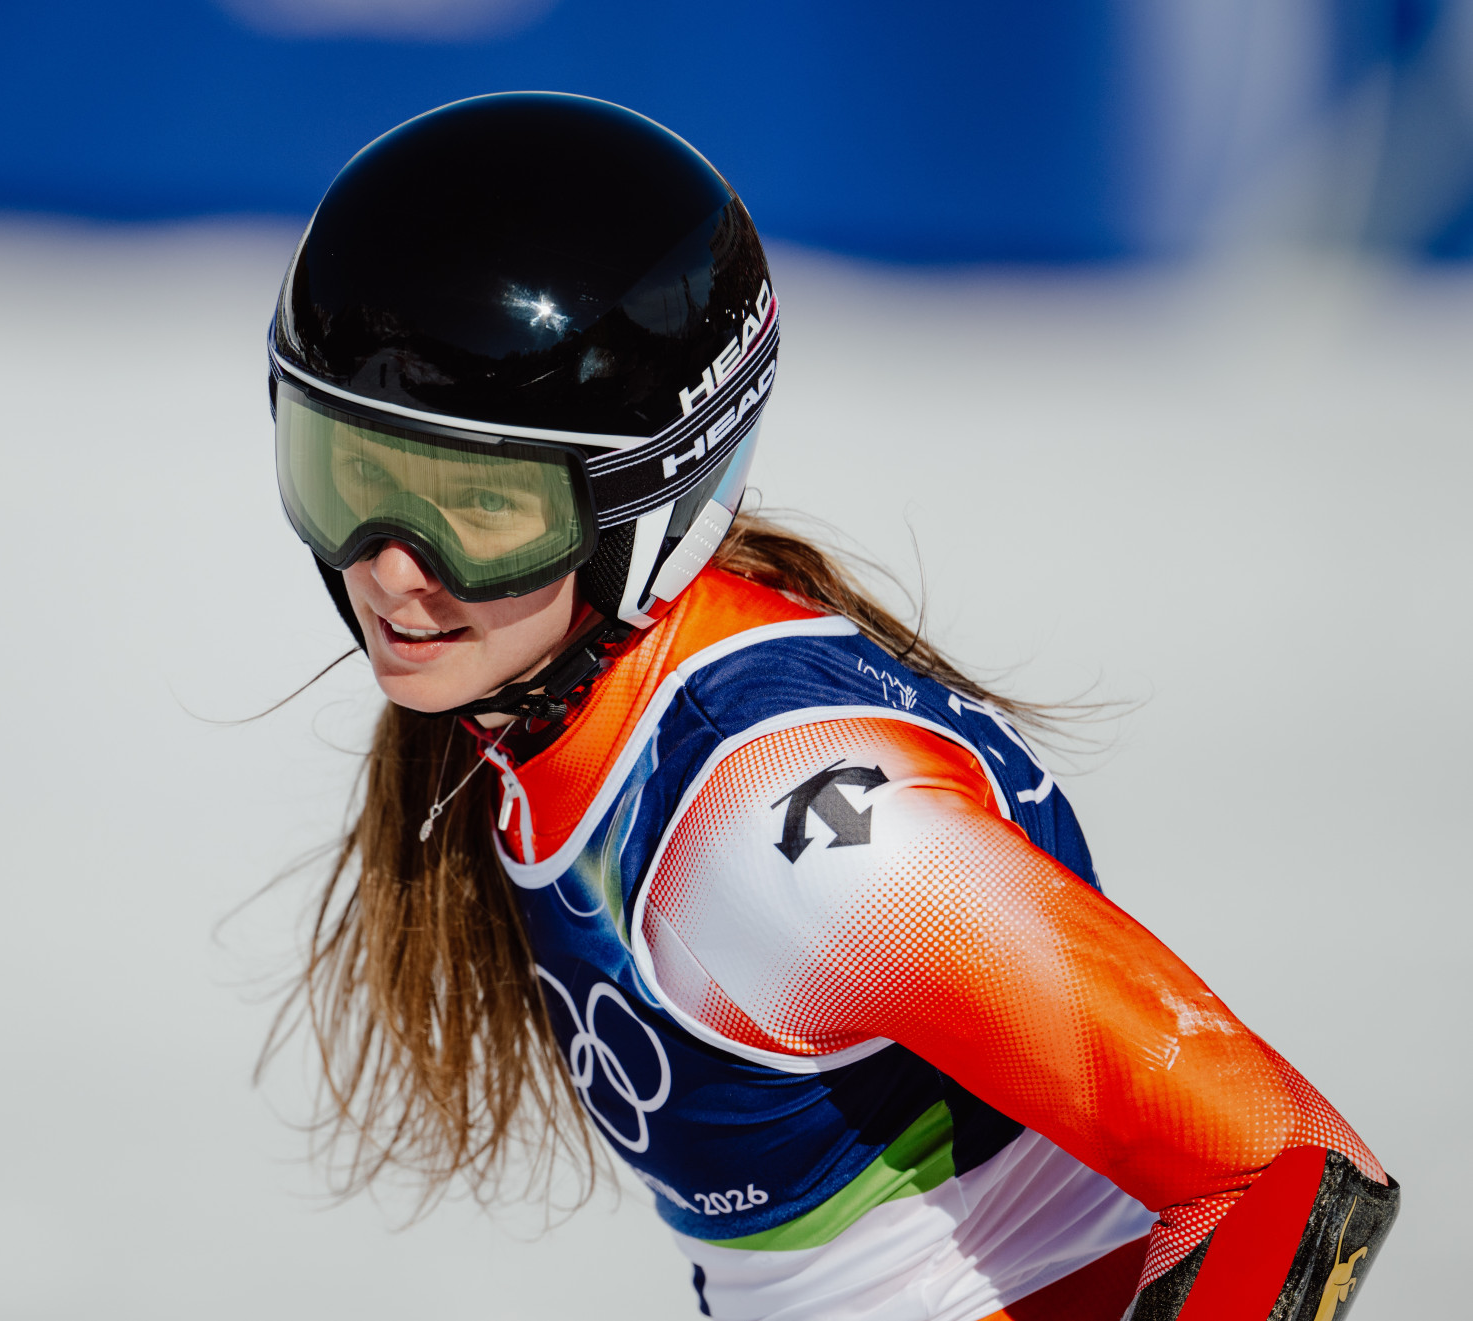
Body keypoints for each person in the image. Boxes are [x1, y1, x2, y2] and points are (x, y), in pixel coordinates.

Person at [264, 92, 1397, 1321]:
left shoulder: (772, 833)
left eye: (482, 508)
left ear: (646, 505)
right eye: (351, 477)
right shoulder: (531, 698)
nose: (390, 570)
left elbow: (1289, 1173)